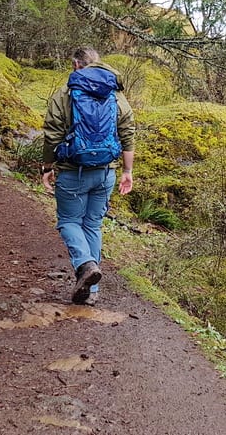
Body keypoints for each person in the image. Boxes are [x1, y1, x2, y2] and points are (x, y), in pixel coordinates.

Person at [41, 47, 135, 306]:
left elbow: (52, 134)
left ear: (75, 65)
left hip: (73, 171)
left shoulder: (66, 94)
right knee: (92, 225)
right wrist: (127, 171)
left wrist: (47, 167)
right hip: (106, 172)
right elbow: (128, 133)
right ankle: (91, 293)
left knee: (69, 221)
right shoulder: (115, 95)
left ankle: (85, 265)